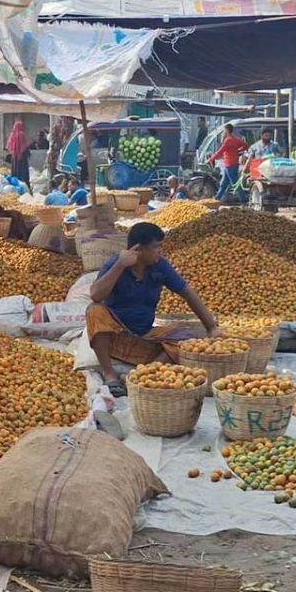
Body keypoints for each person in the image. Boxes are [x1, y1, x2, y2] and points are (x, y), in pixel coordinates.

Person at [86, 222, 222, 397]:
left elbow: (187, 293)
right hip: (115, 336)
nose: (160, 251)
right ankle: (110, 374)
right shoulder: (115, 263)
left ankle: (143, 374)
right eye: (156, 247)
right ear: (139, 249)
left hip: (145, 334)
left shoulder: (160, 266)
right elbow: (96, 295)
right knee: (94, 311)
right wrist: (120, 265)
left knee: (190, 340)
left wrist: (211, 327)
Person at [208, 123, 247, 203]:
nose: (223, 132)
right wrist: (237, 151)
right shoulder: (236, 139)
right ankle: (217, 197)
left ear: (227, 130)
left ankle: (243, 198)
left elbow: (220, 151)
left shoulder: (228, 140)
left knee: (234, 182)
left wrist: (211, 159)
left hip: (230, 164)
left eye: (224, 131)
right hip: (232, 164)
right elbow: (245, 146)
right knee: (224, 183)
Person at [6, 120, 31, 184]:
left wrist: (13, 151)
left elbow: (8, 146)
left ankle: (15, 181)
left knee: (15, 169)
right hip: (22, 156)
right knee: (23, 170)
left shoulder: (12, 135)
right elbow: (25, 146)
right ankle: (24, 182)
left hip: (14, 156)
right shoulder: (22, 134)